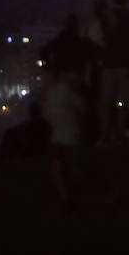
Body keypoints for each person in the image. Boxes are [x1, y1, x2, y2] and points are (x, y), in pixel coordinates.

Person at [98, 0, 129, 143]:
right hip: (125, 63)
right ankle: (121, 131)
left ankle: (105, 133)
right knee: (122, 100)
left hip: (109, 63)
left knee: (106, 101)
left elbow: (103, 39)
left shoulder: (105, 17)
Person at [42, 69, 87, 206]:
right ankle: (66, 199)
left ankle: (78, 194)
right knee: (56, 168)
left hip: (68, 133)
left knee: (70, 169)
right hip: (59, 134)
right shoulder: (50, 93)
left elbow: (80, 105)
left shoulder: (63, 89)